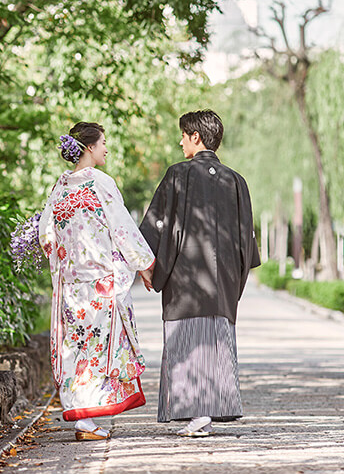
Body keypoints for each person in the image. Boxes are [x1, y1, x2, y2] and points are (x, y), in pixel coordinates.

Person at [139, 110, 260, 437]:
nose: (180, 141)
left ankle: (198, 415)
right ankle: (204, 414)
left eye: (184, 135)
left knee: (187, 339)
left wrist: (147, 266)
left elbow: (156, 226)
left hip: (185, 279)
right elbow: (246, 240)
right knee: (214, 339)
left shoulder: (178, 175)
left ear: (196, 137)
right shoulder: (236, 181)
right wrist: (233, 276)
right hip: (222, 281)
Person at [39, 121, 155, 441]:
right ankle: (86, 421)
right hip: (100, 284)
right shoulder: (100, 183)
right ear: (89, 147)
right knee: (96, 350)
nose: (106, 148)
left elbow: (46, 235)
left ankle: (83, 419)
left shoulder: (60, 187)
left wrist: (63, 265)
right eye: (103, 142)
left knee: (75, 349)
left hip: (70, 286)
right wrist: (143, 264)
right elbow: (122, 229)